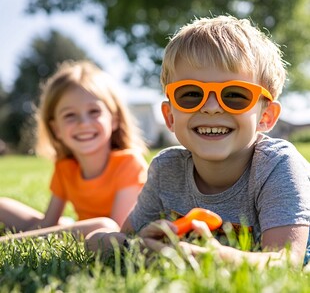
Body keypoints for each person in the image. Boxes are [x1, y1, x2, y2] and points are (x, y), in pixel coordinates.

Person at [85, 15, 310, 268]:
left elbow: (286, 264)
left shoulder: (277, 167)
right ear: (170, 116)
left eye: (235, 95)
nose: (211, 108)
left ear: (266, 117)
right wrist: (137, 247)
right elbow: (103, 241)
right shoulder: (166, 170)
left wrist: (209, 258)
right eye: (191, 94)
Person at [0, 60, 148, 241]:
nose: (83, 123)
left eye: (94, 111)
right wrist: (49, 231)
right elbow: (49, 223)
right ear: (56, 129)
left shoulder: (129, 163)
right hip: (78, 229)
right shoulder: (65, 168)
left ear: (114, 120)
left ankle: (7, 242)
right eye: (70, 115)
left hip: (104, 233)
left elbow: (119, 232)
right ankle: (39, 235)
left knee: (105, 225)